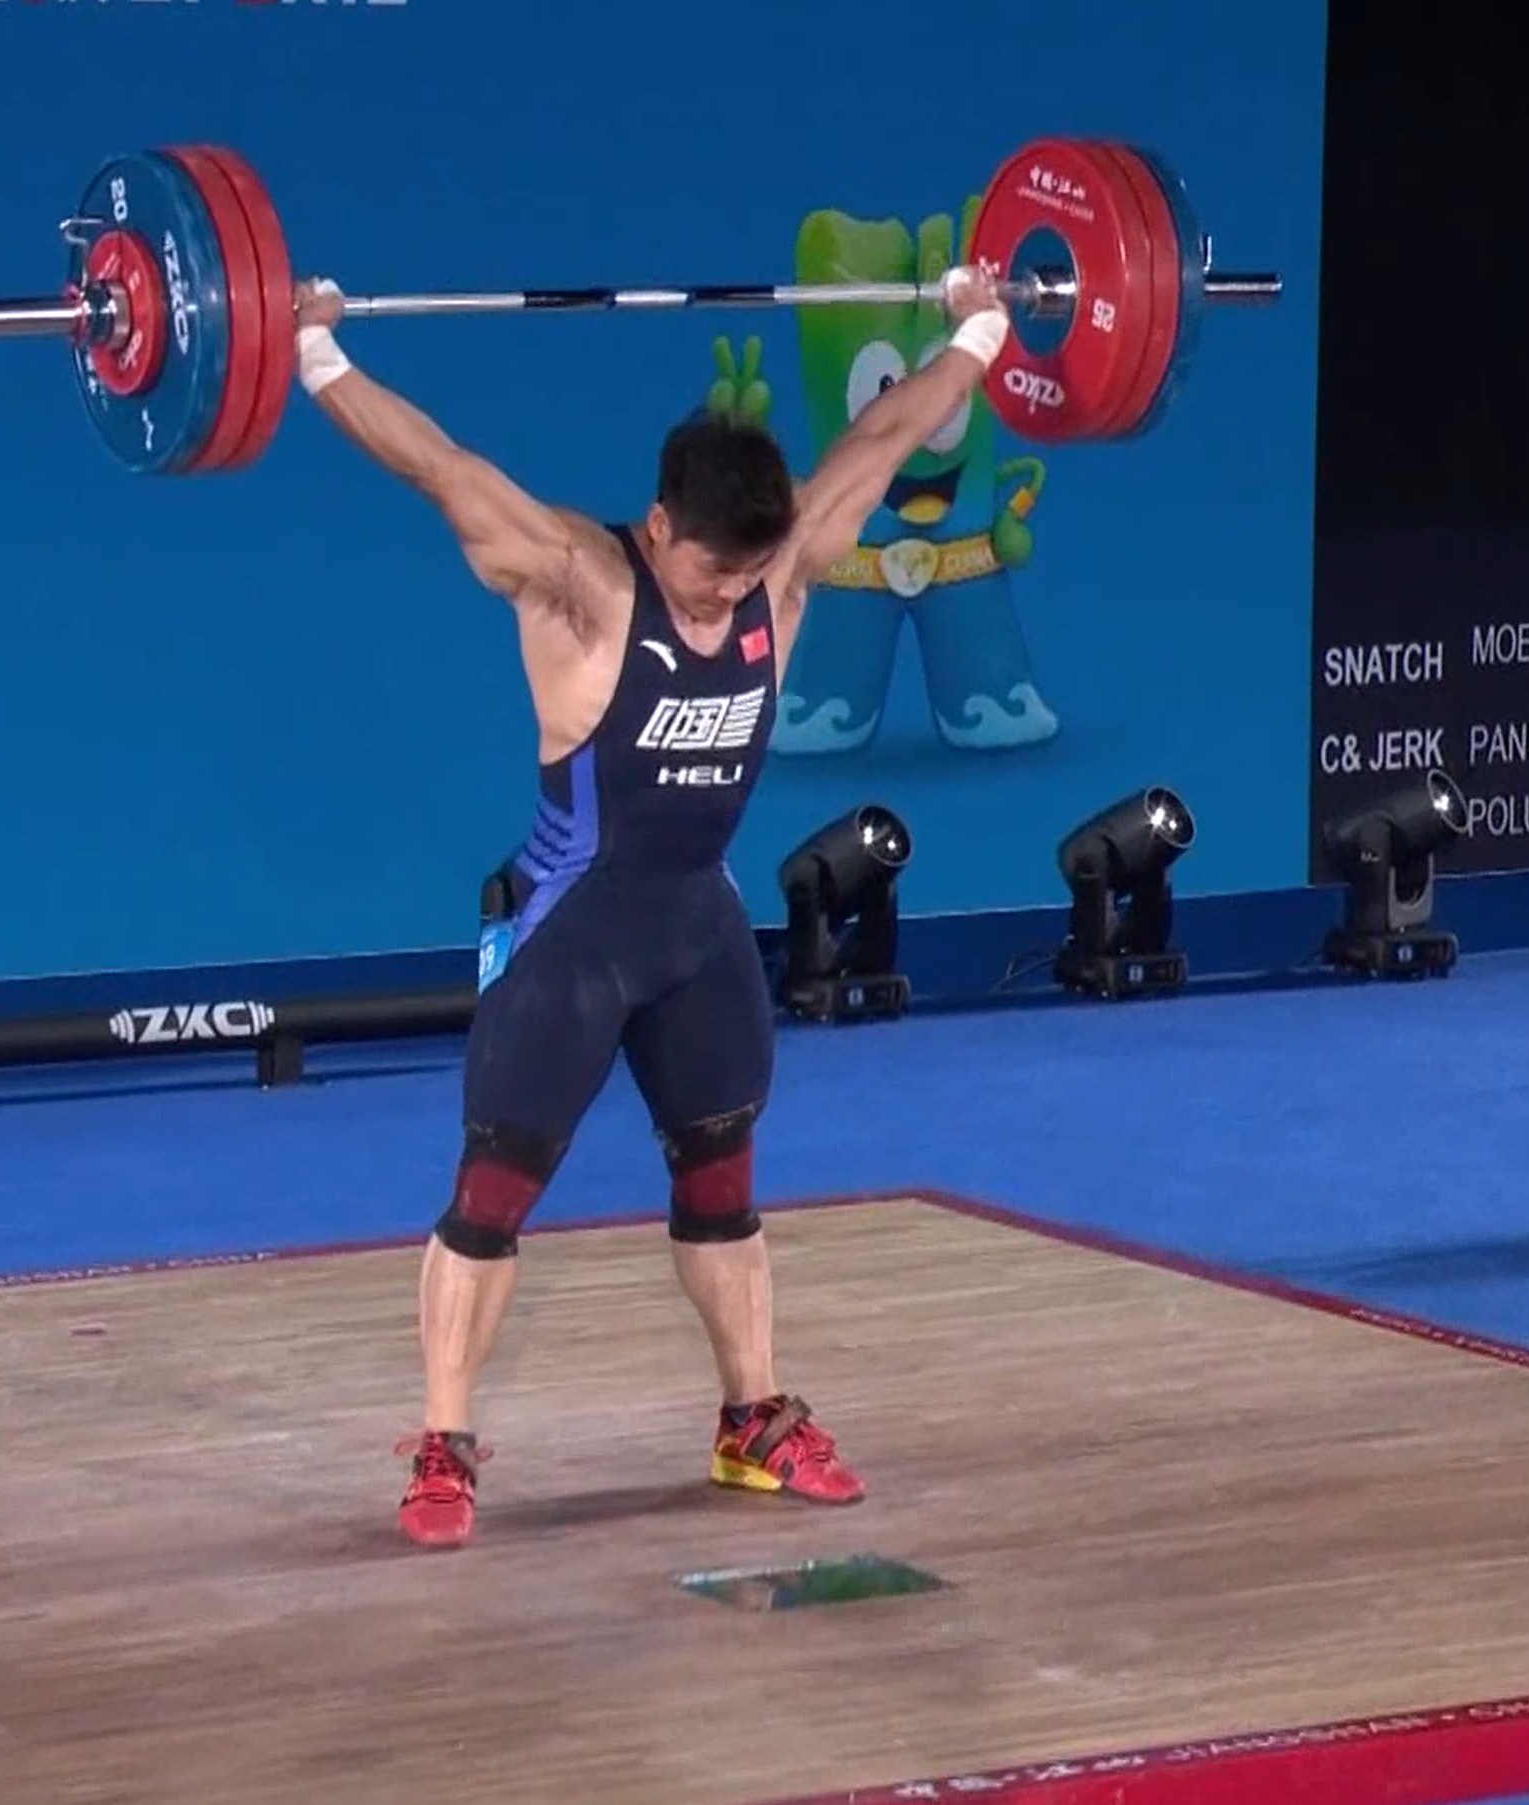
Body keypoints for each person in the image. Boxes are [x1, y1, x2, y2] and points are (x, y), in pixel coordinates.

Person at [289, 265, 1013, 1549]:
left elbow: (888, 431)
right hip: (572, 935)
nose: (721, 602)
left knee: (724, 1184)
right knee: (492, 1196)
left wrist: (979, 324)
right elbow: (444, 470)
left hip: (696, 930)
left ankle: (752, 1421)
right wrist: (317, 356)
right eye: (702, 581)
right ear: (658, 521)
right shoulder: (577, 577)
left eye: (740, 585)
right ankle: (445, 1446)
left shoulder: (779, 570)